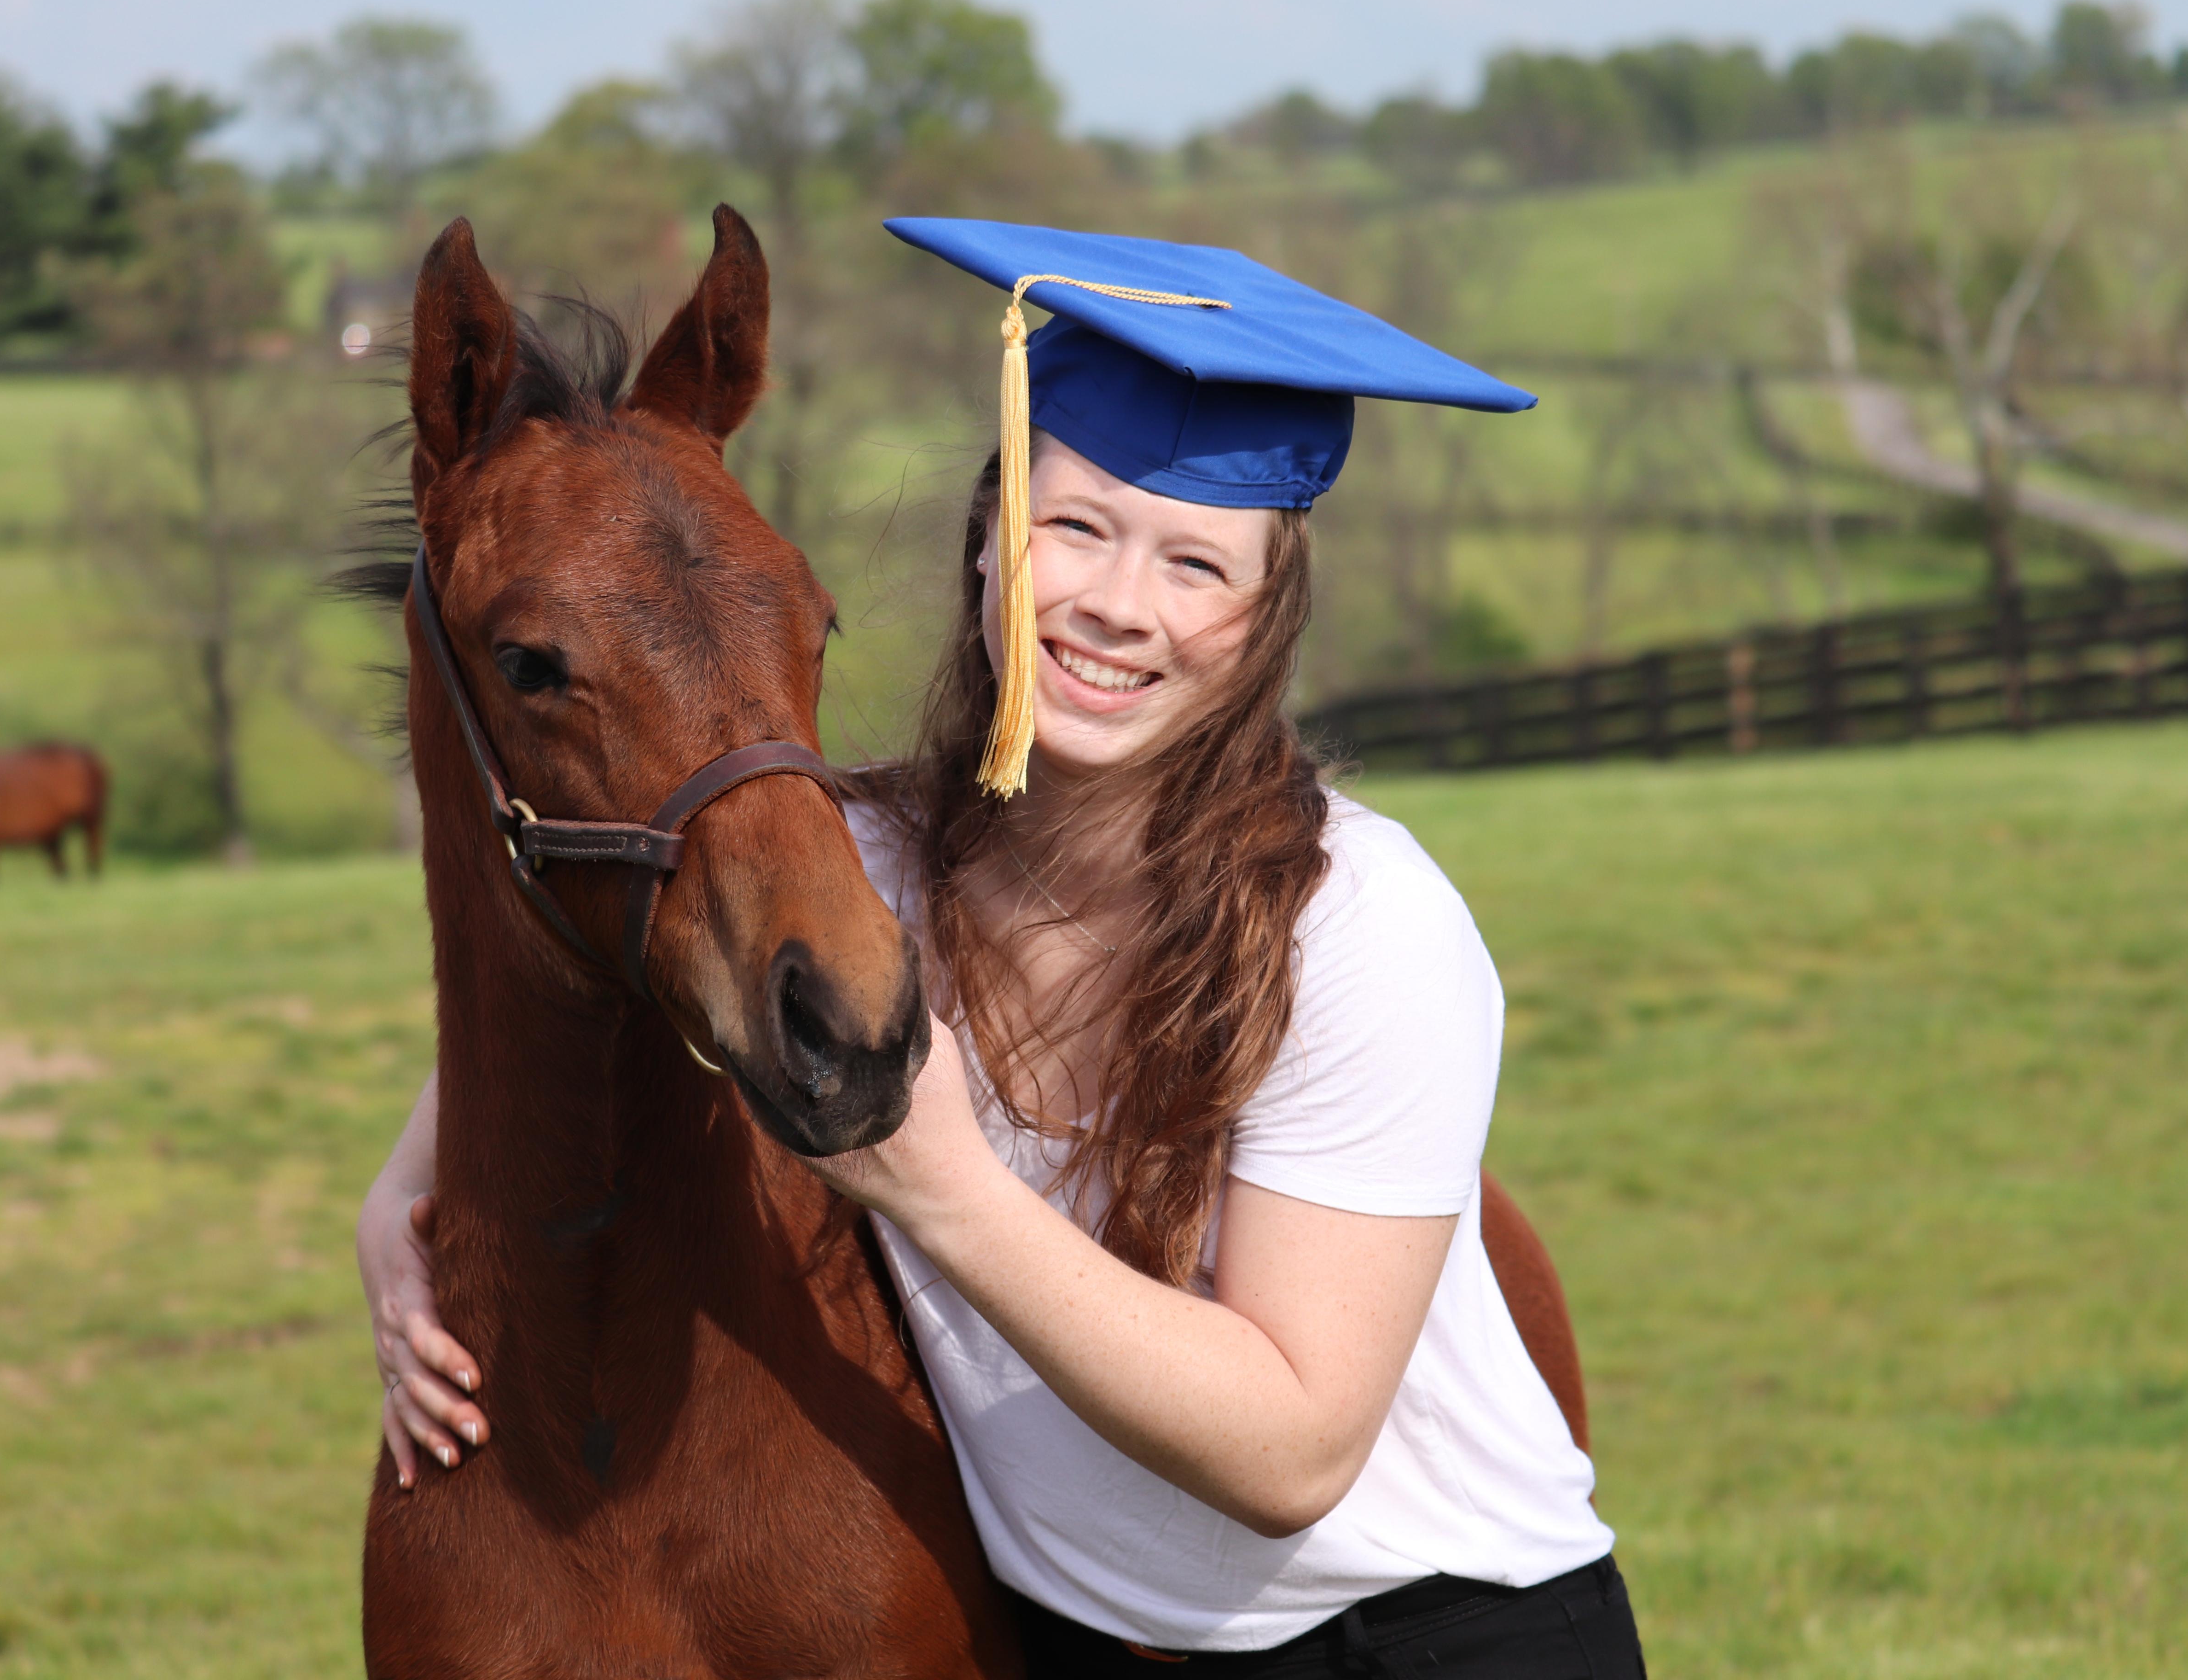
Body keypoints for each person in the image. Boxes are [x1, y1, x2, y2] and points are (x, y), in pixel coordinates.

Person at [358, 219, 1645, 1677]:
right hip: (1076, 1645)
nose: (1115, 605)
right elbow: (626, 927)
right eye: (1077, 528)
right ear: (989, 543)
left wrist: (946, 1189)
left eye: (1198, 565)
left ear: (1265, 616)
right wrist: (401, 1215)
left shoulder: (1363, 923)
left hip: (1411, 1641)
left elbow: (1295, 1457)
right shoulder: (877, 869)